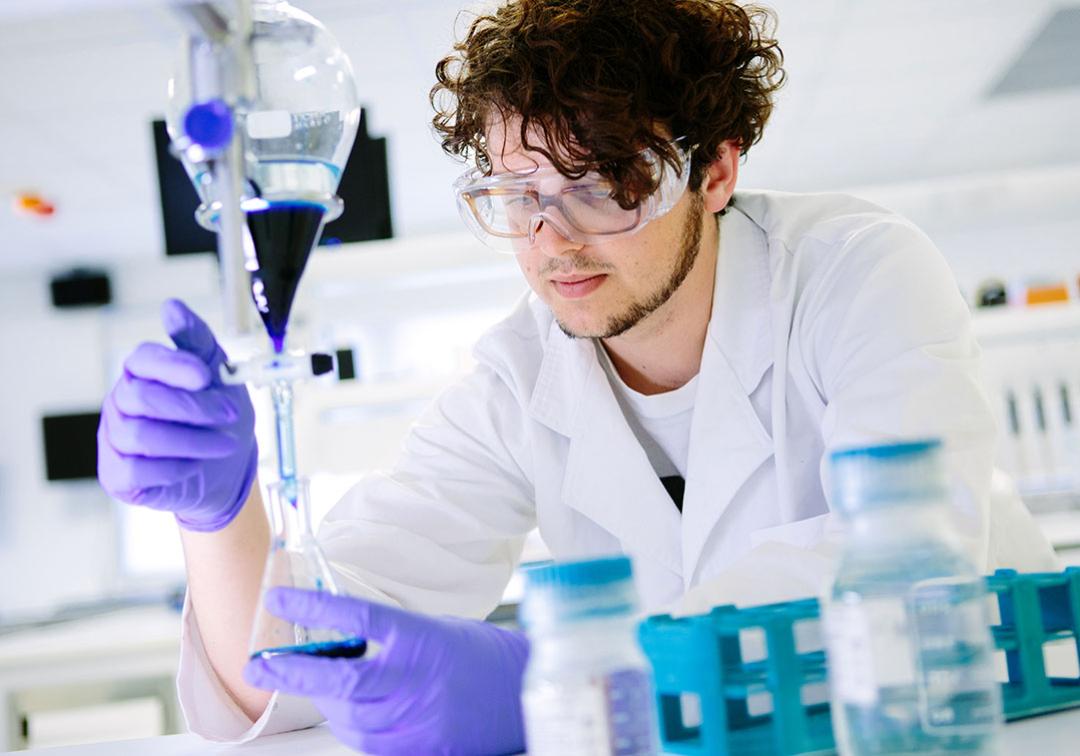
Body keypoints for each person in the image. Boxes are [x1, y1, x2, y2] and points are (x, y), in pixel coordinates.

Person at [97, 0, 1057, 753]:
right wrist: (219, 519)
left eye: (603, 183)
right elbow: (299, 663)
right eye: (517, 196)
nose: (552, 239)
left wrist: (566, 672)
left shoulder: (859, 273)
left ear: (715, 170)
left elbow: (896, 569)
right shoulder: (518, 379)